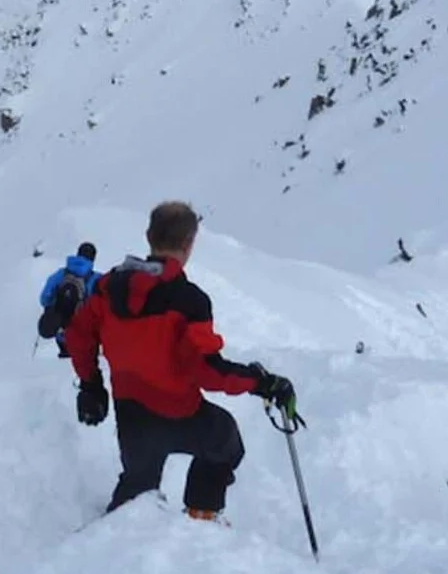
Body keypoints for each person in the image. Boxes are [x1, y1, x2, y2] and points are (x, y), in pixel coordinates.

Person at [64, 201, 296, 521]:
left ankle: (97, 549)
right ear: (190, 243)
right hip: (180, 413)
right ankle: (201, 517)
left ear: (148, 236)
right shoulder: (189, 301)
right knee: (225, 442)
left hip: (132, 416)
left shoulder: (107, 289)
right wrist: (261, 382)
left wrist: (91, 385)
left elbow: (78, 336)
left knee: (135, 495)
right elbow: (207, 371)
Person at [37, 242, 101, 355]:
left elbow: (44, 299)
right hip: (83, 335)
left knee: (64, 363)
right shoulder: (96, 279)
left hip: (61, 333)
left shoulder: (61, 274)